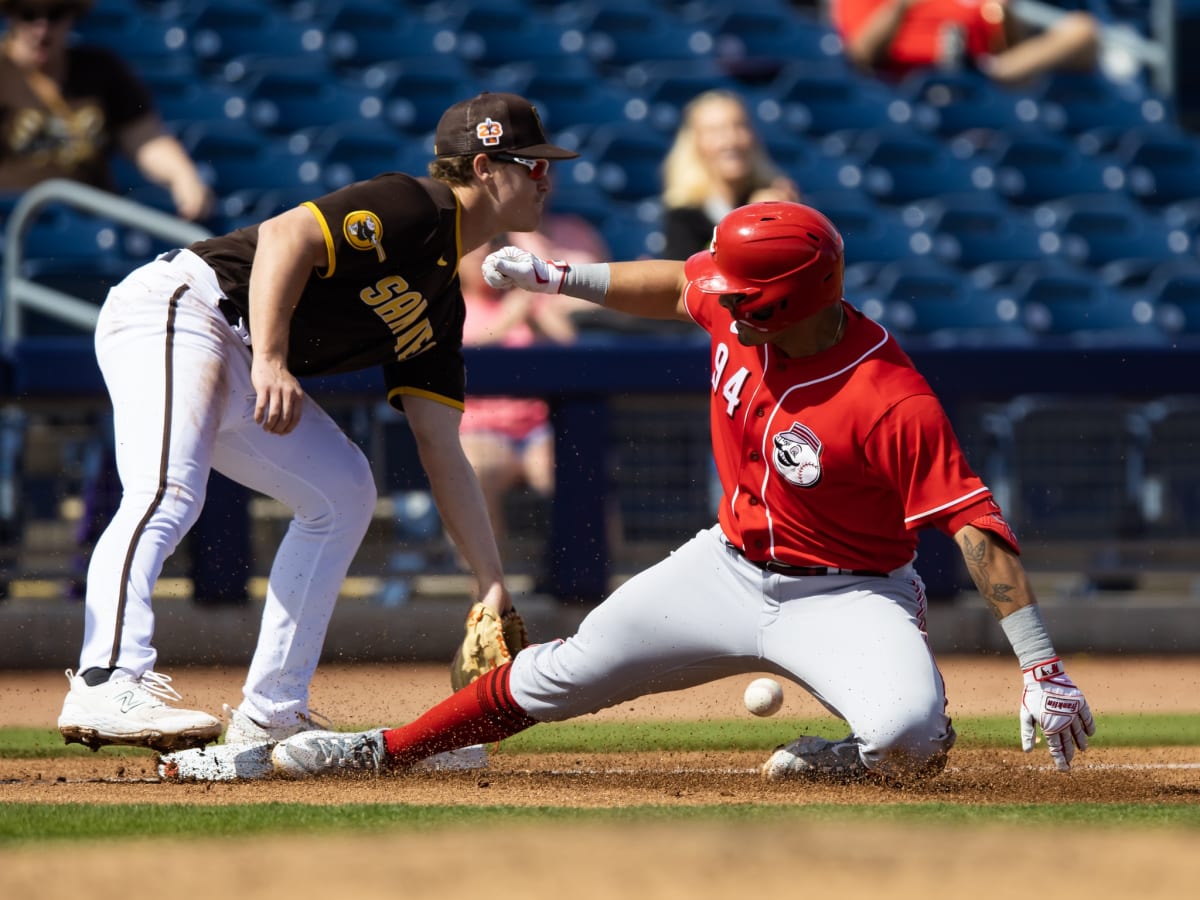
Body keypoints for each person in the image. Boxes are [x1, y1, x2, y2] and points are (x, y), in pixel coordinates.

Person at [161, 200, 1095, 784]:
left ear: (805, 296)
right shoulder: (739, 303)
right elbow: (675, 286)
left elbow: (974, 523)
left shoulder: (890, 397)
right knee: (561, 672)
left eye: (745, 298)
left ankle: (847, 763)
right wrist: (562, 278)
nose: (724, 305)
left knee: (909, 740)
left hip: (847, 590)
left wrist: (1040, 664)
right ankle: (383, 751)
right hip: (725, 567)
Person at [56, 91, 579, 759]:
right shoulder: (418, 205)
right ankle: (106, 678)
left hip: (240, 350)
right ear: (483, 167)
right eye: (530, 165)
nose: (546, 178)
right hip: (185, 309)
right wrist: (273, 359)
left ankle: (272, 709)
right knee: (166, 489)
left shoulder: (443, 302)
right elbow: (285, 235)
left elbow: (440, 445)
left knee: (344, 492)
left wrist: (490, 581)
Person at [0, 0, 213, 220]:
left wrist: (182, 175)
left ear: (73, 15)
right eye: (27, 14)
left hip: (94, 223)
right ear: (9, 15)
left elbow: (145, 140)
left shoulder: (100, 69)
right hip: (16, 226)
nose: (41, 28)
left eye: (55, 14)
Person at [660, 90, 800, 262]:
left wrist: (788, 219)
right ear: (695, 144)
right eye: (715, 131)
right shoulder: (684, 217)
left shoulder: (775, 198)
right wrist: (752, 224)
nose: (730, 140)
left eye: (739, 126)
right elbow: (686, 278)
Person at [830, 0, 1099, 88]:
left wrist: (1007, 14)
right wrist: (901, 6)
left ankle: (992, 75)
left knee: (1082, 29)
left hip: (979, 72)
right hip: (915, 84)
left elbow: (1004, 42)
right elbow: (861, 53)